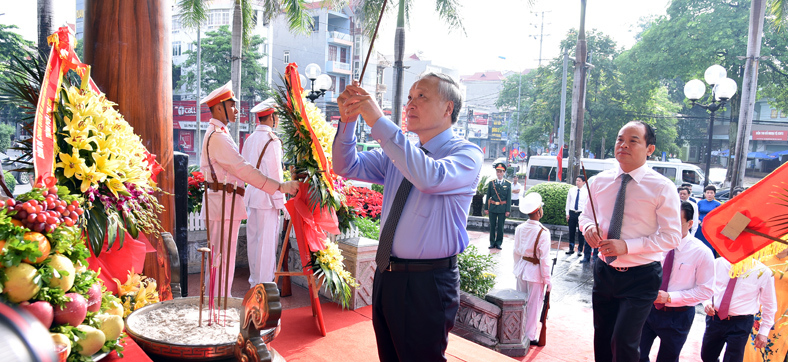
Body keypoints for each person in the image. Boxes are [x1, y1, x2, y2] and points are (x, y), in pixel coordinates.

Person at [333, 73, 483, 362]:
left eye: (422, 96)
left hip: (428, 282)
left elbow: (429, 177)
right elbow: (345, 165)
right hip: (386, 276)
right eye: (410, 97)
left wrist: (378, 121)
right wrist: (349, 120)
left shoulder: (466, 153)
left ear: (448, 108)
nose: (411, 105)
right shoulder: (400, 153)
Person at [580, 121, 682, 362]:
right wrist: (588, 228)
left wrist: (627, 247)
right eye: (619, 139)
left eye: (633, 140)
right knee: (602, 338)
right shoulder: (599, 181)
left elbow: (672, 236)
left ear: (650, 149)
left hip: (641, 276)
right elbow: (585, 215)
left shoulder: (662, 187)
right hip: (604, 270)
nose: (623, 145)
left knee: (624, 342)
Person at [200, 81, 300, 297]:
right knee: (222, 261)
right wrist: (280, 188)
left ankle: (218, 305)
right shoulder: (218, 137)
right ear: (219, 107)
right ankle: (217, 306)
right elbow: (243, 169)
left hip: (233, 203)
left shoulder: (227, 135)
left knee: (223, 259)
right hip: (224, 206)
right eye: (232, 105)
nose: (237, 110)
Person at [638, 201, 715, 362]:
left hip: (678, 316)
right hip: (647, 309)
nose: (669, 226)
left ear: (690, 223)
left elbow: (705, 291)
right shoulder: (655, 242)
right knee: (635, 354)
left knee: (668, 358)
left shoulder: (702, 253)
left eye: (676, 222)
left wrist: (670, 297)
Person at [241, 98, 286, 287]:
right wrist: (281, 203)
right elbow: (276, 176)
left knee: (253, 243)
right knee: (266, 247)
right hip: (267, 199)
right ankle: (264, 289)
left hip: (252, 196)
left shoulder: (250, 139)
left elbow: (242, 168)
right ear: (273, 118)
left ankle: (254, 285)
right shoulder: (272, 141)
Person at [701, 257, 777, 362]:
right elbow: (705, 287)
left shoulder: (762, 272)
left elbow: (769, 304)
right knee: (707, 356)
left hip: (741, 323)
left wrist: (764, 331)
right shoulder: (718, 263)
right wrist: (707, 303)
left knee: (733, 359)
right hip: (715, 318)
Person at [512, 192, 552, 345]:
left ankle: (518, 332)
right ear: (538, 212)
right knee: (534, 304)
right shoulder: (543, 232)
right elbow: (544, 259)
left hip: (522, 268)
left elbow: (516, 251)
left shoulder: (520, 228)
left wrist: (517, 267)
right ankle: (529, 336)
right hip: (535, 272)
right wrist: (548, 279)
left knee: (520, 303)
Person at [743, 246, 788, 362]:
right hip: (762, 307)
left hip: (783, 311)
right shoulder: (763, 258)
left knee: (777, 344)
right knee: (754, 343)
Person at [484, 163, 512, 251]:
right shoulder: (491, 183)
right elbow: (488, 196)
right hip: (492, 207)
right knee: (492, 226)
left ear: (504, 172)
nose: (499, 173)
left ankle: (499, 243)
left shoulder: (508, 184)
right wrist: (486, 208)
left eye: (501, 172)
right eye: (497, 171)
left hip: (502, 208)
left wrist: (508, 210)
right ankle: (492, 242)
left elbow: (509, 198)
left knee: (500, 226)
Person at [695, 185, 721, 257]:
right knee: (699, 243)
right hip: (700, 225)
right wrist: (698, 220)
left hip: (710, 226)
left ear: (714, 194)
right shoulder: (700, 203)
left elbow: (718, 216)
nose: (709, 194)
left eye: (711, 193)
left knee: (709, 244)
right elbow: (697, 213)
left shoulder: (717, 204)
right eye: (708, 192)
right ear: (705, 194)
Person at [565, 175, 588, 257]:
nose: (577, 182)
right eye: (576, 180)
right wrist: (567, 213)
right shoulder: (571, 190)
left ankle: (580, 250)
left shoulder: (586, 192)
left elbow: (587, 205)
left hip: (581, 213)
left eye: (579, 181)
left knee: (581, 233)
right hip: (572, 212)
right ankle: (571, 248)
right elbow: (568, 202)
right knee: (571, 231)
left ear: (584, 182)